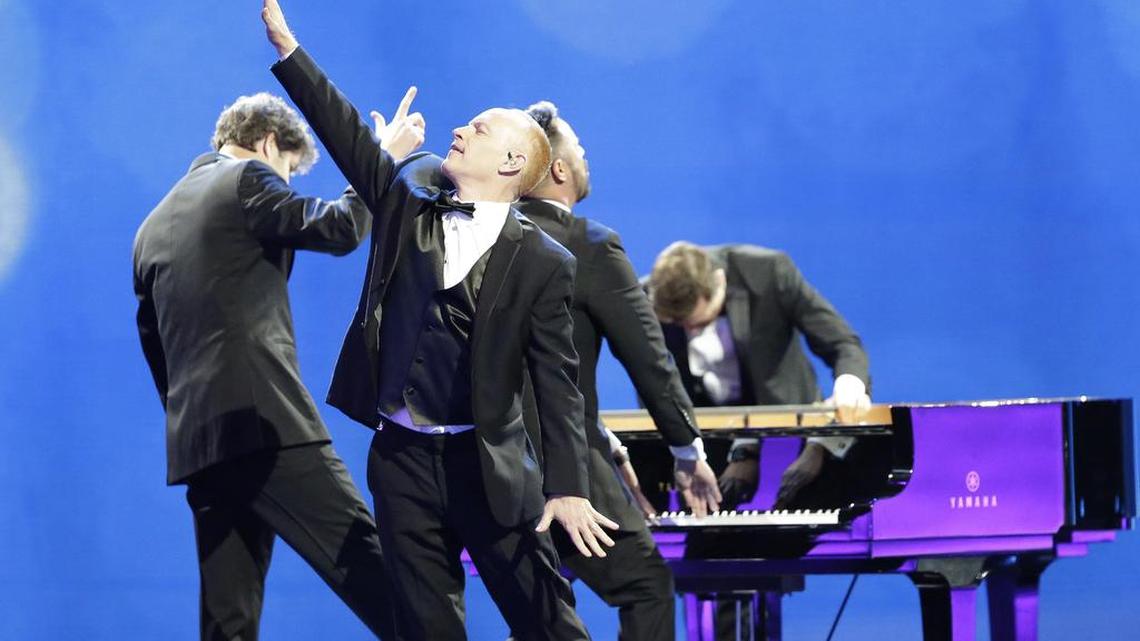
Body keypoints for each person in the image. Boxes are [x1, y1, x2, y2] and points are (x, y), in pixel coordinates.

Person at [260, 2, 617, 639]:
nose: (459, 130)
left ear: (511, 165)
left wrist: (568, 486)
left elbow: (558, 384)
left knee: (548, 623)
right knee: (426, 628)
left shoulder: (542, 261)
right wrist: (292, 53)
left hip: (488, 466)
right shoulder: (409, 201)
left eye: (478, 130)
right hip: (400, 461)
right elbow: (347, 139)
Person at [132, 92, 411, 640]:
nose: (284, 178)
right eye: (287, 167)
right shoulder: (246, 180)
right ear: (265, 144)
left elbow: (156, 349)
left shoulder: (150, 228)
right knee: (381, 578)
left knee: (227, 622)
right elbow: (338, 228)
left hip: (200, 443)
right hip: (265, 426)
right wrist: (380, 162)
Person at [501, 101, 719, 641]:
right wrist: (687, 450)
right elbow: (649, 359)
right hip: (559, 463)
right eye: (579, 147)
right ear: (558, 169)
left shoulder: (486, 240)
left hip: (488, 465)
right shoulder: (590, 245)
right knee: (644, 586)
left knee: (542, 607)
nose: (586, 154)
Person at [646, 240, 871, 640]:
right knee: (710, 566)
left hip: (793, 444)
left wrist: (848, 389)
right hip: (708, 449)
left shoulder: (768, 273)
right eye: (682, 327)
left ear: (719, 283)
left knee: (764, 559)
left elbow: (842, 345)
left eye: (698, 323)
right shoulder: (649, 297)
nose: (691, 334)